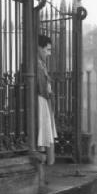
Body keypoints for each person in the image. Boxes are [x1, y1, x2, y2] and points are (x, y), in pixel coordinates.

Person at [37, 34, 57, 165]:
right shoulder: (37, 64)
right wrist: (48, 92)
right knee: (43, 130)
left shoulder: (41, 63)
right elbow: (41, 85)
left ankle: (46, 158)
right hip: (41, 101)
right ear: (40, 48)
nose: (49, 53)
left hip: (44, 100)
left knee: (45, 130)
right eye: (48, 50)